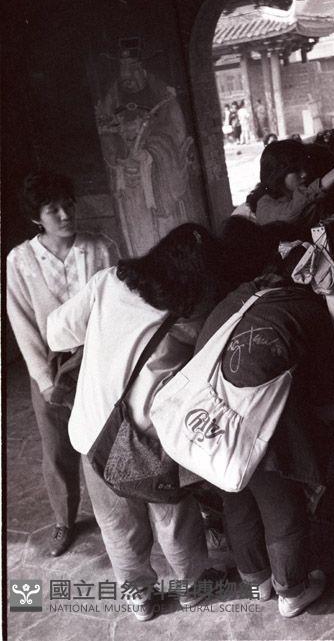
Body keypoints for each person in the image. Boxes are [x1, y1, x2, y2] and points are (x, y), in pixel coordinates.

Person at [47, 223, 227, 620]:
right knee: (173, 516)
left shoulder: (109, 282)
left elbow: (57, 332)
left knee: (116, 522)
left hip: (95, 431)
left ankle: (139, 598)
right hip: (150, 440)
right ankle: (194, 585)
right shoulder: (191, 317)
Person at [194, 233, 334, 618]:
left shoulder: (236, 296)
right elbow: (326, 376)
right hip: (257, 416)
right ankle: (292, 591)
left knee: (237, 494)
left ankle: (256, 580)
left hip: (209, 415)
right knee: (280, 502)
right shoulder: (306, 306)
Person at [6, 171, 119, 557]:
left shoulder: (100, 248)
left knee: (105, 439)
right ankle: (64, 520)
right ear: (36, 216)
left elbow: (116, 306)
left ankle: (117, 515)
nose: (65, 214)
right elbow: (22, 323)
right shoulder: (21, 260)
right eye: (53, 209)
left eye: (68, 205)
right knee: (56, 448)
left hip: (96, 358)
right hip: (52, 365)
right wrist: (44, 379)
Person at [252, 139, 334, 237]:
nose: (304, 174)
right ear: (277, 174)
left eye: (304, 167)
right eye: (295, 170)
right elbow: (290, 214)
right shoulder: (264, 205)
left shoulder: (304, 194)